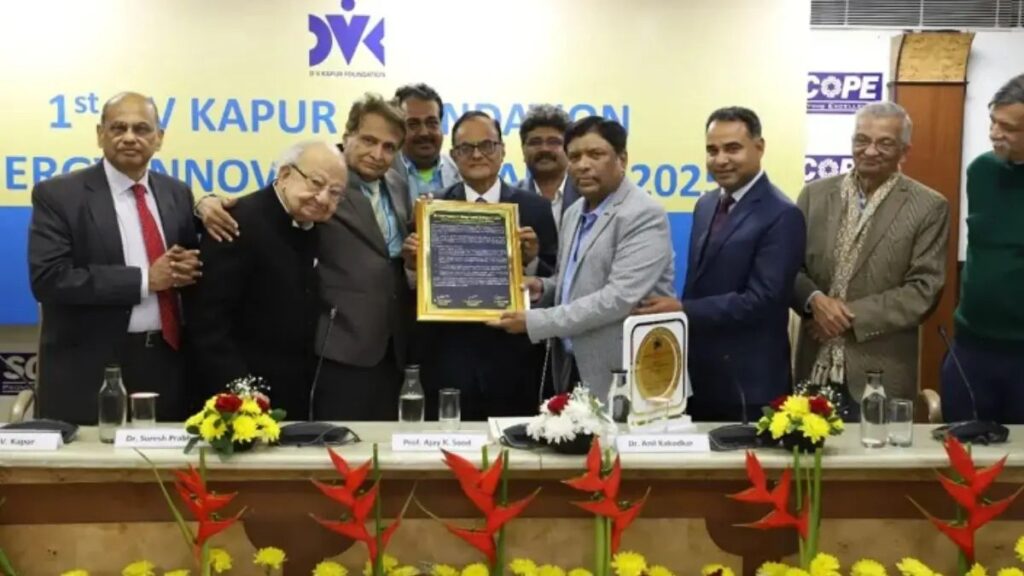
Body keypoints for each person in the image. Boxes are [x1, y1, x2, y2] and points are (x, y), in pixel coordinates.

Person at [28, 92, 201, 424]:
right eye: (118, 128)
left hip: (168, 362)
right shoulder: (59, 195)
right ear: (100, 134)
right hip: (91, 370)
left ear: (159, 138)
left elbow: (187, 268)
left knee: (167, 457)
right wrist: (145, 280)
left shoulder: (177, 193)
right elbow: (49, 279)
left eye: (142, 129)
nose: (130, 137)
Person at [636, 107, 805, 422]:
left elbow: (764, 300)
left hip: (749, 385)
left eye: (732, 148)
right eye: (712, 150)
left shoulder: (782, 214)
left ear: (759, 147)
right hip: (697, 378)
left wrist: (683, 309)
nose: (721, 159)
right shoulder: (706, 204)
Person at [489, 116, 675, 402]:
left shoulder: (643, 213)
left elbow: (618, 299)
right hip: (573, 367)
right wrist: (542, 287)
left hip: (629, 374)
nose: (583, 165)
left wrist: (537, 321)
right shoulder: (574, 212)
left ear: (622, 159)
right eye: (574, 156)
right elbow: (571, 282)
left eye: (595, 154)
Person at [401, 111, 558, 419]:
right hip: (448, 357)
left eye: (486, 145)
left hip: (515, 359)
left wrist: (530, 262)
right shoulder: (431, 208)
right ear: (453, 156)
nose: (476, 155)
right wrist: (411, 267)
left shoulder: (537, 208)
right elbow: (414, 287)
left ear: (502, 151)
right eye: (466, 148)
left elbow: (555, 284)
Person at [793, 102, 948, 408]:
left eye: (885, 143)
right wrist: (814, 301)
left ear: (904, 151)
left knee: (877, 442)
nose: (870, 151)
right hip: (813, 368)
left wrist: (843, 317)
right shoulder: (814, 195)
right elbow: (789, 268)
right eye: (862, 140)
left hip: (881, 373)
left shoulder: (929, 206)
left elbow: (923, 291)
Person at [185, 141, 347, 420]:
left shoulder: (311, 226)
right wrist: (241, 391)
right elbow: (208, 324)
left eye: (334, 193)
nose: (322, 199)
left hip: (294, 394)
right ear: (285, 175)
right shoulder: (235, 222)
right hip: (238, 401)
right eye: (316, 183)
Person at [315, 93, 412, 421]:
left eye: (389, 147)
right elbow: (271, 204)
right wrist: (208, 203)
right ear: (348, 136)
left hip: (394, 347)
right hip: (339, 346)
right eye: (369, 141)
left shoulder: (397, 184)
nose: (378, 154)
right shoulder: (320, 179)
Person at [942, 73, 1024, 424]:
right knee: (960, 448)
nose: (994, 133)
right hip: (971, 346)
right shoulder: (981, 171)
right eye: (993, 121)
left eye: (1008, 128)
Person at [515, 104, 579, 232]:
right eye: (535, 142)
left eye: (554, 142)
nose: (544, 149)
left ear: (569, 148)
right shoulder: (509, 200)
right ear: (523, 149)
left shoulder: (588, 196)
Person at [393, 83, 461, 200]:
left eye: (432, 123)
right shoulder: (383, 171)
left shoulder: (461, 171)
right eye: (413, 124)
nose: (424, 133)